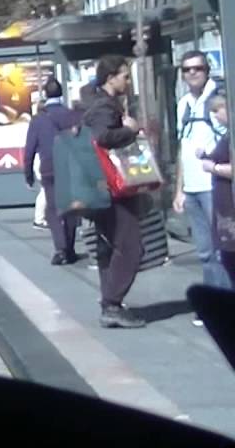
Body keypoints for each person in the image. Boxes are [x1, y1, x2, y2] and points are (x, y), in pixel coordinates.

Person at [83, 55, 147, 329]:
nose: (128, 81)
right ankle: (111, 303)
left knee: (110, 246)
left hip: (104, 187)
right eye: (124, 75)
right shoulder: (103, 107)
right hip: (111, 188)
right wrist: (130, 130)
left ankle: (112, 303)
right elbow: (103, 138)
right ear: (110, 78)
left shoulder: (99, 102)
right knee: (131, 246)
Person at [172, 50, 229, 291]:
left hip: (215, 186)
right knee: (205, 251)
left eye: (198, 68)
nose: (192, 73)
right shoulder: (183, 103)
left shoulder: (219, 100)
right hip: (192, 188)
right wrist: (179, 190)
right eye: (187, 69)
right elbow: (182, 149)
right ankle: (215, 302)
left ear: (207, 70)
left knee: (222, 249)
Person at [24, 77, 82, 265]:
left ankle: (60, 248)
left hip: (49, 168)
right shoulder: (73, 116)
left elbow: (30, 149)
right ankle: (70, 249)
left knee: (53, 209)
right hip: (71, 168)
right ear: (61, 93)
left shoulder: (38, 120)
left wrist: (28, 175)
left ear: (45, 95)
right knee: (71, 208)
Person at [199, 94, 235, 287]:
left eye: (216, 110)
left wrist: (214, 168)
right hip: (224, 205)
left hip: (231, 205)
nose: (214, 116)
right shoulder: (228, 133)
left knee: (230, 259)